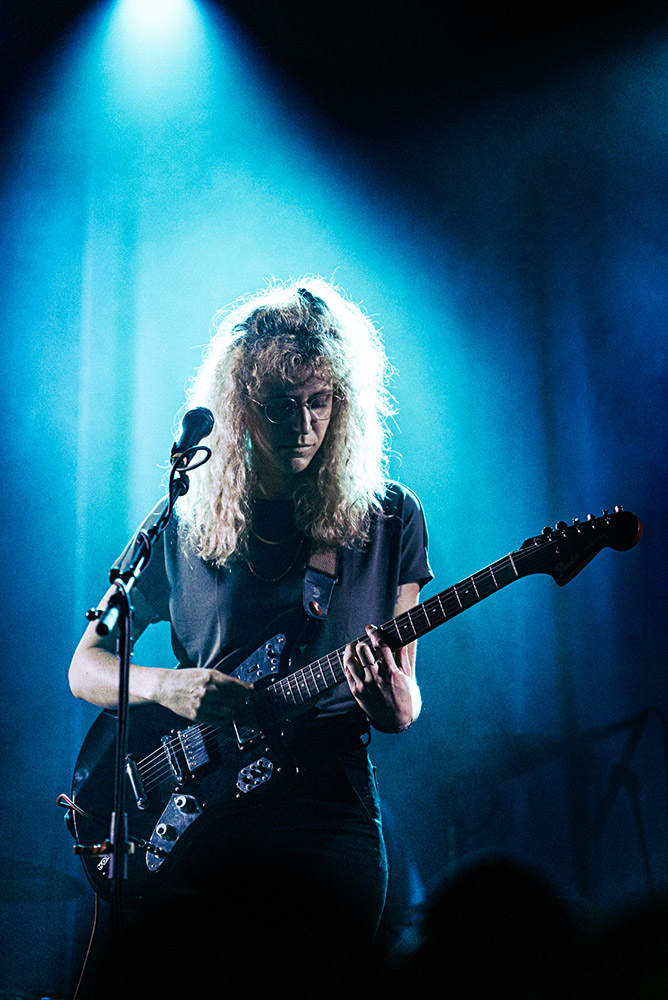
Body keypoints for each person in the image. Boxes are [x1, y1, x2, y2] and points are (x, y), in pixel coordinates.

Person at [69, 277, 432, 995]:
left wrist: (394, 706)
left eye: (320, 403)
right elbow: (86, 667)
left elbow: (405, 699)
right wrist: (171, 687)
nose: (303, 424)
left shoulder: (390, 518)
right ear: (240, 409)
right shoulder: (182, 523)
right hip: (198, 808)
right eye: (279, 406)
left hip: (328, 807)